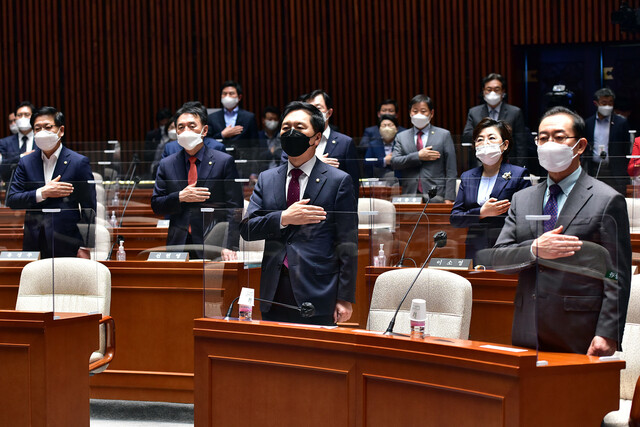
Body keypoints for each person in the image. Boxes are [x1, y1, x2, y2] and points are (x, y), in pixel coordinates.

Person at [489, 106, 631, 356]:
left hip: (579, 330)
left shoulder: (607, 199)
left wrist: (608, 332)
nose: (549, 144)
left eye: (559, 137)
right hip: (527, 327)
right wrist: (534, 250)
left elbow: (615, 273)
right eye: (543, 138)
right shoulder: (522, 199)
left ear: (580, 145)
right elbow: (500, 258)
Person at [241, 101, 358, 325]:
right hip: (273, 289)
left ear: (316, 137)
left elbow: (347, 243)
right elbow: (247, 228)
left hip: (318, 289)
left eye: (300, 127)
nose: (291, 132)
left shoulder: (338, 180)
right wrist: (284, 218)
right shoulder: (267, 179)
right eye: (286, 128)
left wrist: (345, 298)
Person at [151, 102, 243, 260]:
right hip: (178, 242)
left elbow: (234, 208)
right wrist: (180, 196)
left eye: (191, 126)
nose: (185, 131)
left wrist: (230, 245)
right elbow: (157, 204)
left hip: (214, 241)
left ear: (204, 130)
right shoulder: (167, 163)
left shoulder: (223, 161)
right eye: (181, 127)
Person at [6, 106, 96, 258]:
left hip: (67, 239)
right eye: (37, 128)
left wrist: (85, 246)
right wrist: (42, 193)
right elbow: (13, 199)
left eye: (48, 127)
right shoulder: (26, 162)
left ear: (61, 131)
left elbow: (89, 208)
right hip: (34, 239)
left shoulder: (78, 162)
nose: (42, 132)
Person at [450, 118, 531, 260]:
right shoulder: (468, 177)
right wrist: (481, 212)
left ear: (505, 145)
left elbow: (526, 217)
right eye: (479, 139)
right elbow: (455, 218)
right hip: (475, 247)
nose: (485, 143)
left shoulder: (518, 174)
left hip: (507, 246)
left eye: (491, 138)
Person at [282, 89, 360, 201]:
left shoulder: (345, 143)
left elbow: (353, 185)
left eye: (318, 108)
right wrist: (317, 163)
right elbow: (283, 167)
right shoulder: (293, 138)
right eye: (310, 108)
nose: (314, 112)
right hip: (297, 200)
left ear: (329, 113)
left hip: (331, 206)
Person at [391, 94, 457, 203]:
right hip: (410, 193)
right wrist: (418, 156)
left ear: (431, 113)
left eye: (423, 111)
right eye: (415, 111)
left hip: (436, 193)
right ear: (410, 113)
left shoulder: (443, 135)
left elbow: (451, 169)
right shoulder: (401, 136)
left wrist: (449, 197)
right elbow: (394, 162)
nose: (419, 115)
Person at [462, 73, 529, 168]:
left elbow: (521, 144)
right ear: (483, 91)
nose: (492, 93)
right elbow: (466, 136)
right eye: (489, 90)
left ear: (503, 92)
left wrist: (520, 167)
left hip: (508, 162)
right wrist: (484, 134)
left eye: (496, 89)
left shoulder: (515, 112)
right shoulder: (474, 112)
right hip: (481, 162)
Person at [206, 80, 259, 178]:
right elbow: (207, 140)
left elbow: (255, 146)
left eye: (231, 93)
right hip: (218, 163)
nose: (227, 96)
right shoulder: (212, 118)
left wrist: (253, 171)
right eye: (224, 94)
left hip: (243, 163)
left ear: (239, 97)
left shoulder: (249, 117)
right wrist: (222, 135)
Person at [584, 88, 631, 195]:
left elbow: (626, 148)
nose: (607, 106)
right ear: (596, 103)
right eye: (604, 103)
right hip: (594, 169)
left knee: (617, 200)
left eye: (610, 103)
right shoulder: (588, 123)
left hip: (615, 170)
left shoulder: (621, 123)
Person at [0, 101, 36, 182]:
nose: (23, 118)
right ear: (15, 118)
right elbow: (2, 168)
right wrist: (22, 157)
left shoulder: (41, 140)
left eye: (26, 115)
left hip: (38, 187)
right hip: (12, 187)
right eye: (19, 115)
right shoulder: (4, 143)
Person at [363, 114, 400, 184]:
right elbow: (367, 162)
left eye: (390, 125)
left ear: (396, 129)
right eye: (384, 125)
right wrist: (384, 161)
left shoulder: (401, 143)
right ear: (379, 129)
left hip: (399, 179)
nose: (387, 128)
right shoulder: (373, 144)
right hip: (379, 180)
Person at [143, 108, 172, 177]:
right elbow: (146, 155)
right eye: (162, 121)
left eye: (167, 122)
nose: (164, 124)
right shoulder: (152, 135)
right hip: (156, 166)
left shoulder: (175, 134)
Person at [257, 105, 282, 170]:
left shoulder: (282, 136)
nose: (273, 122)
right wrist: (271, 151)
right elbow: (256, 157)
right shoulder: (258, 136)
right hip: (262, 171)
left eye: (275, 119)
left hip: (279, 170)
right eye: (270, 119)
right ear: (263, 120)